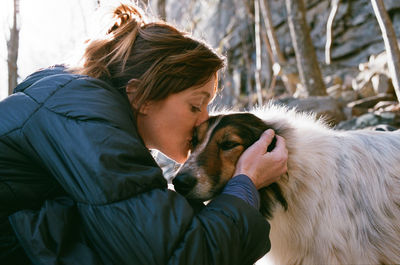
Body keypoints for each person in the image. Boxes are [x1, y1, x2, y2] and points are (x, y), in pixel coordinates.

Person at [0, 3, 288, 265]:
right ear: (141, 96)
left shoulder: (78, 109)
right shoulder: (87, 125)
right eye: (195, 105)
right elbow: (182, 256)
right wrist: (245, 183)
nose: (204, 121)